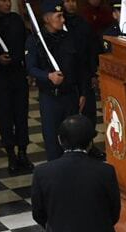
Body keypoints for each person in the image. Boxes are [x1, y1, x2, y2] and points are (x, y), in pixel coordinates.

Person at [26, 3, 88, 160]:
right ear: (47, 19)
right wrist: (48, 76)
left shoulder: (69, 38)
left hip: (70, 96)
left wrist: (83, 93)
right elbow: (30, 68)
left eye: (63, 16)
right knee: (53, 140)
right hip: (50, 98)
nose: (63, 20)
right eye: (58, 17)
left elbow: (80, 68)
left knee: (74, 138)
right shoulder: (35, 41)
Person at [0, 0, 33, 173]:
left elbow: (26, 45)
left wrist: (29, 69)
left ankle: (23, 151)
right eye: (3, 0)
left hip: (18, 74)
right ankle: (11, 154)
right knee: (5, 116)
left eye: (9, 0)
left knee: (21, 115)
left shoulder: (16, 19)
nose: (7, 4)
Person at [63, 0, 100, 125]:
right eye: (67, 1)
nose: (71, 4)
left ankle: (88, 142)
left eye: (73, 1)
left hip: (85, 73)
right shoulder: (60, 25)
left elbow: (91, 50)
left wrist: (94, 73)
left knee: (88, 113)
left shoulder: (83, 24)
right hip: (67, 75)